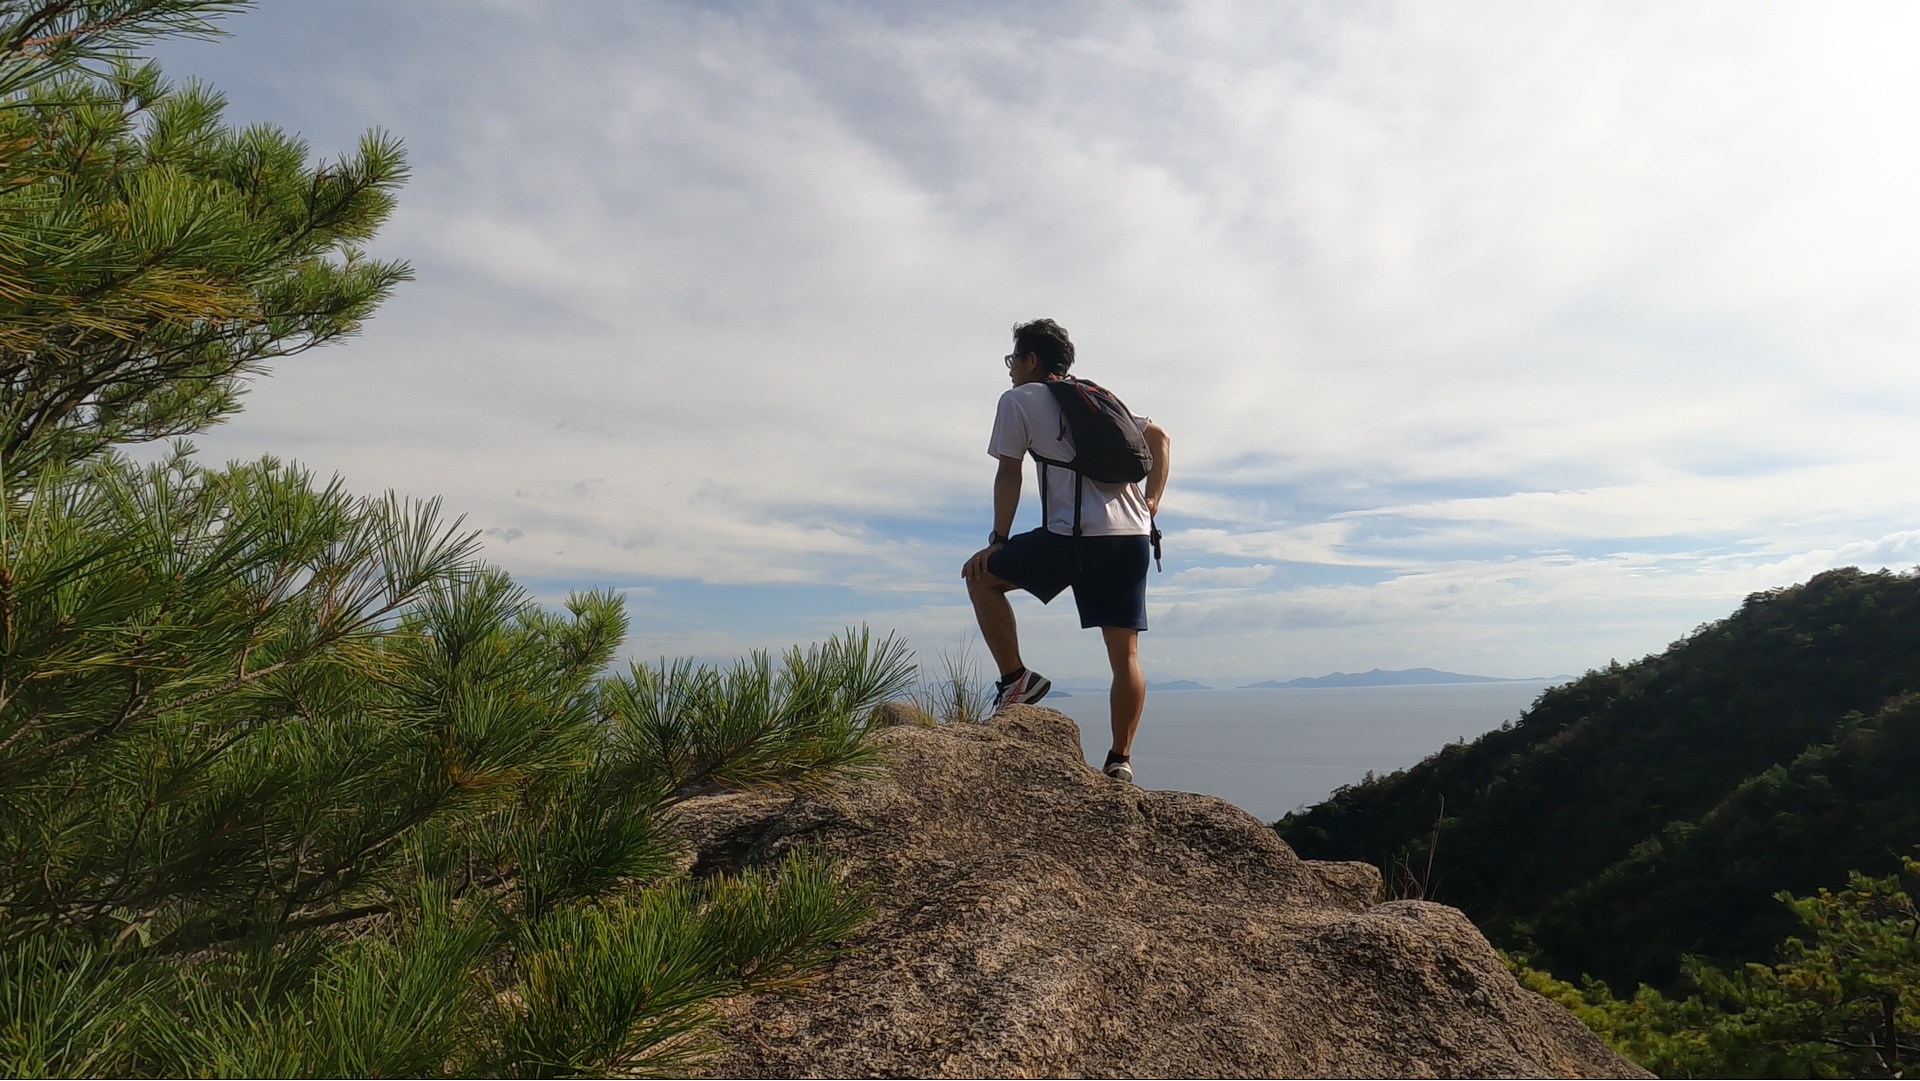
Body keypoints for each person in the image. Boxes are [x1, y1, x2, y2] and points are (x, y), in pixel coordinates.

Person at [961, 318, 1171, 783]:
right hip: (1132, 536)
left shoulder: (1018, 400)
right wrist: (1151, 502)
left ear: (1031, 359)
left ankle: (1016, 680)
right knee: (1126, 656)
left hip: (1072, 537)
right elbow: (1160, 438)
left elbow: (1009, 473)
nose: (1011, 369)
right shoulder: (1098, 398)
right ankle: (1120, 760)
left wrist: (997, 541)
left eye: (1013, 359)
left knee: (982, 577)